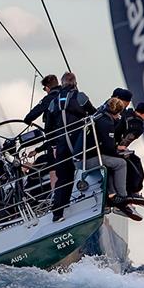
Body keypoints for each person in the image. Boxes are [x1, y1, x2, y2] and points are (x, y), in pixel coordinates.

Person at [79, 98, 144, 221]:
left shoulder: (99, 115)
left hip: (84, 156)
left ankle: (112, 195)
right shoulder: (107, 122)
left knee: (111, 164)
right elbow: (110, 147)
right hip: (87, 160)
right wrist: (120, 151)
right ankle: (123, 198)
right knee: (120, 163)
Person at [47, 72, 96, 222]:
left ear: (61, 84)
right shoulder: (80, 97)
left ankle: (58, 213)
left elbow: (48, 128)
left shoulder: (53, 102)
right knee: (90, 164)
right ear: (75, 83)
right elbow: (94, 113)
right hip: (78, 144)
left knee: (63, 177)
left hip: (61, 145)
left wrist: (53, 145)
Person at [23, 74, 62, 190]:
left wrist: (27, 120)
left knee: (53, 167)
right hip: (69, 139)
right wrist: (37, 150)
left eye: (44, 89)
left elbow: (33, 114)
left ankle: (56, 194)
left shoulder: (50, 98)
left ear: (48, 88)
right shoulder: (66, 94)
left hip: (55, 143)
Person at [115, 102, 144, 206]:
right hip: (113, 148)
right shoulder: (138, 126)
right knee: (136, 168)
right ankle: (131, 194)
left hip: (108, 143)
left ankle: (131, 194)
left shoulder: (126, 113)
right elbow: (125, 142)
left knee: (134, 160)